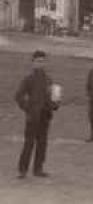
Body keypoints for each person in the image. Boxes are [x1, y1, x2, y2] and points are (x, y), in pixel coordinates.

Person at [14, 50, 59, 178]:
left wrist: (55, 104)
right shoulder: (28, 79)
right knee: (29, 143)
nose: (40, 64)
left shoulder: (49, 79)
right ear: (33, 62)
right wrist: (28, 108)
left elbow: (52, 98)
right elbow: (18, 96)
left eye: (43, 61)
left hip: (45, 117)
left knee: (42, 143)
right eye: (38, 61)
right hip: (32, 117)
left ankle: (38, 169)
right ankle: (23, 170)